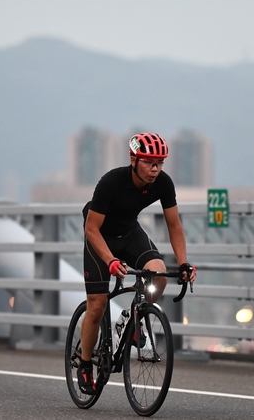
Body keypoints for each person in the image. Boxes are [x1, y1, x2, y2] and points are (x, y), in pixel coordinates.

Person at [77, 132, 197, 395]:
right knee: (97, 305)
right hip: (100, 237)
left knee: (159, 275)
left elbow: (174, 226)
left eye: (160, 163)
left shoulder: (163, 183)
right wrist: (110, 261)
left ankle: (131, 318)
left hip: (129, 233)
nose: (155, 169)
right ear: (133, 160)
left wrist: (183, 263)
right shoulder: (111, 182)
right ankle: (85, 364)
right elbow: (91, 229)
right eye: (149, 163)